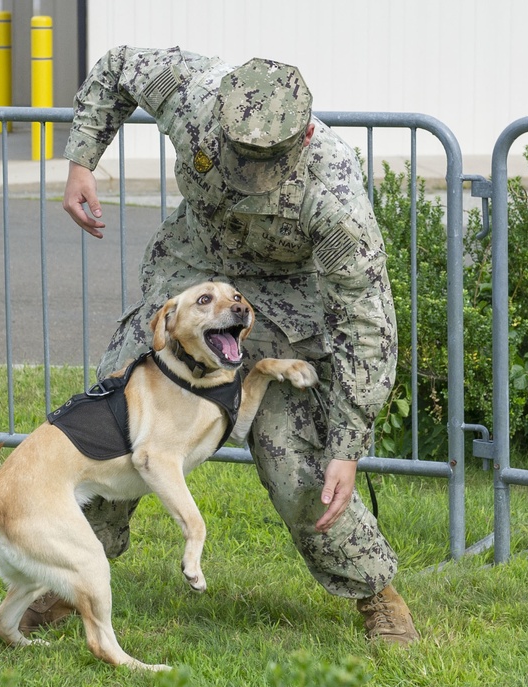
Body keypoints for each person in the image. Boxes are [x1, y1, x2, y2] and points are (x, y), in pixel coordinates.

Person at [21, 46, 418, 646]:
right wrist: (81, 159)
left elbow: (367, 326)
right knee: (111, 419)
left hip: (281, 308)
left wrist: (349, 442)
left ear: (302, 138)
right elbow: (117, 66)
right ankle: (74, 568)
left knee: (295, 459)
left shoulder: (336, 198)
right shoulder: (193, 93)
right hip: (193, 281)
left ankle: (373, 592)